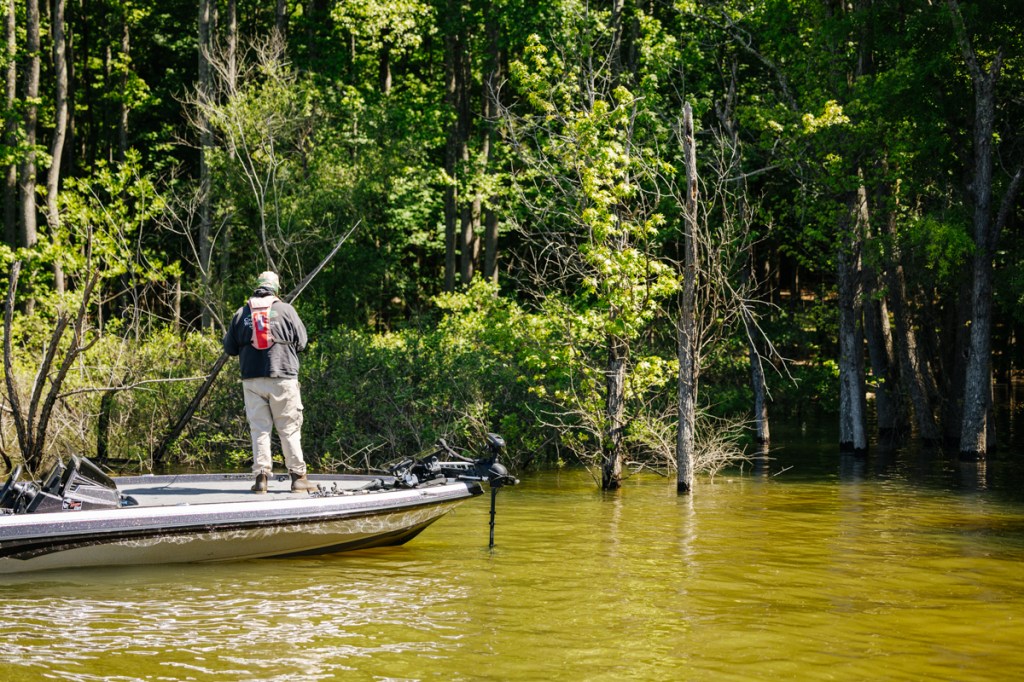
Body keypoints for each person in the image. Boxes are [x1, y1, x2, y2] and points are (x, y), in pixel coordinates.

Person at [223, 271, 317, 493]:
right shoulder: (287, 310)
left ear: (256, 288)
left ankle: (261, 479)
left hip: (252, 380)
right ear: (276, 289)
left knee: (260, 430)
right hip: (283, 377)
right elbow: (302, 342)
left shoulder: (241, 313)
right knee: (289, 429)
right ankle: (298, 478)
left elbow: (230, 348)